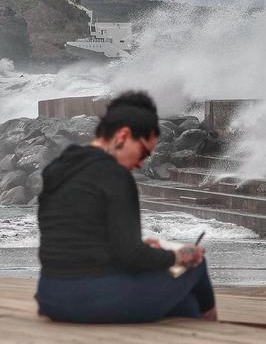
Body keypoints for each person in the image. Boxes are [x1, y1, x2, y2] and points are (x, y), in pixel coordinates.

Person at [35, 91, 217, 323]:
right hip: (92, 299)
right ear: (123, 136)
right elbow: (130, 256)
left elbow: (80, 241)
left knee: (188, 306)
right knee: (196, 264)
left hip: (51, 296)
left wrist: (143, 250)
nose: (142, 163)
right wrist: (177, 255)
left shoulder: (57, 168)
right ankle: (215, 325)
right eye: (144, 152)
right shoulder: (115, 176)